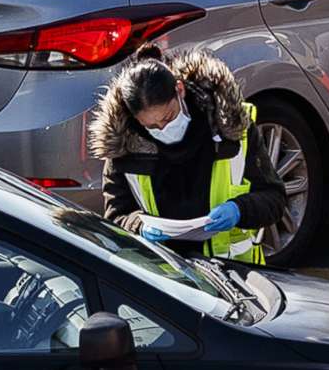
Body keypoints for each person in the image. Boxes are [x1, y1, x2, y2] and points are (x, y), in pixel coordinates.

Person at [93, 45, 281, 263]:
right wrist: (139, 225)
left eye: (168, 117)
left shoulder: (230, 128)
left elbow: (274, 199)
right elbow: (116, 216)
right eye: (151, 126)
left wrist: (239, 210)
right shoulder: (124, 145)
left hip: (233, 274)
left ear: (180, 90)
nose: (163, 129)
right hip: (165, 277)